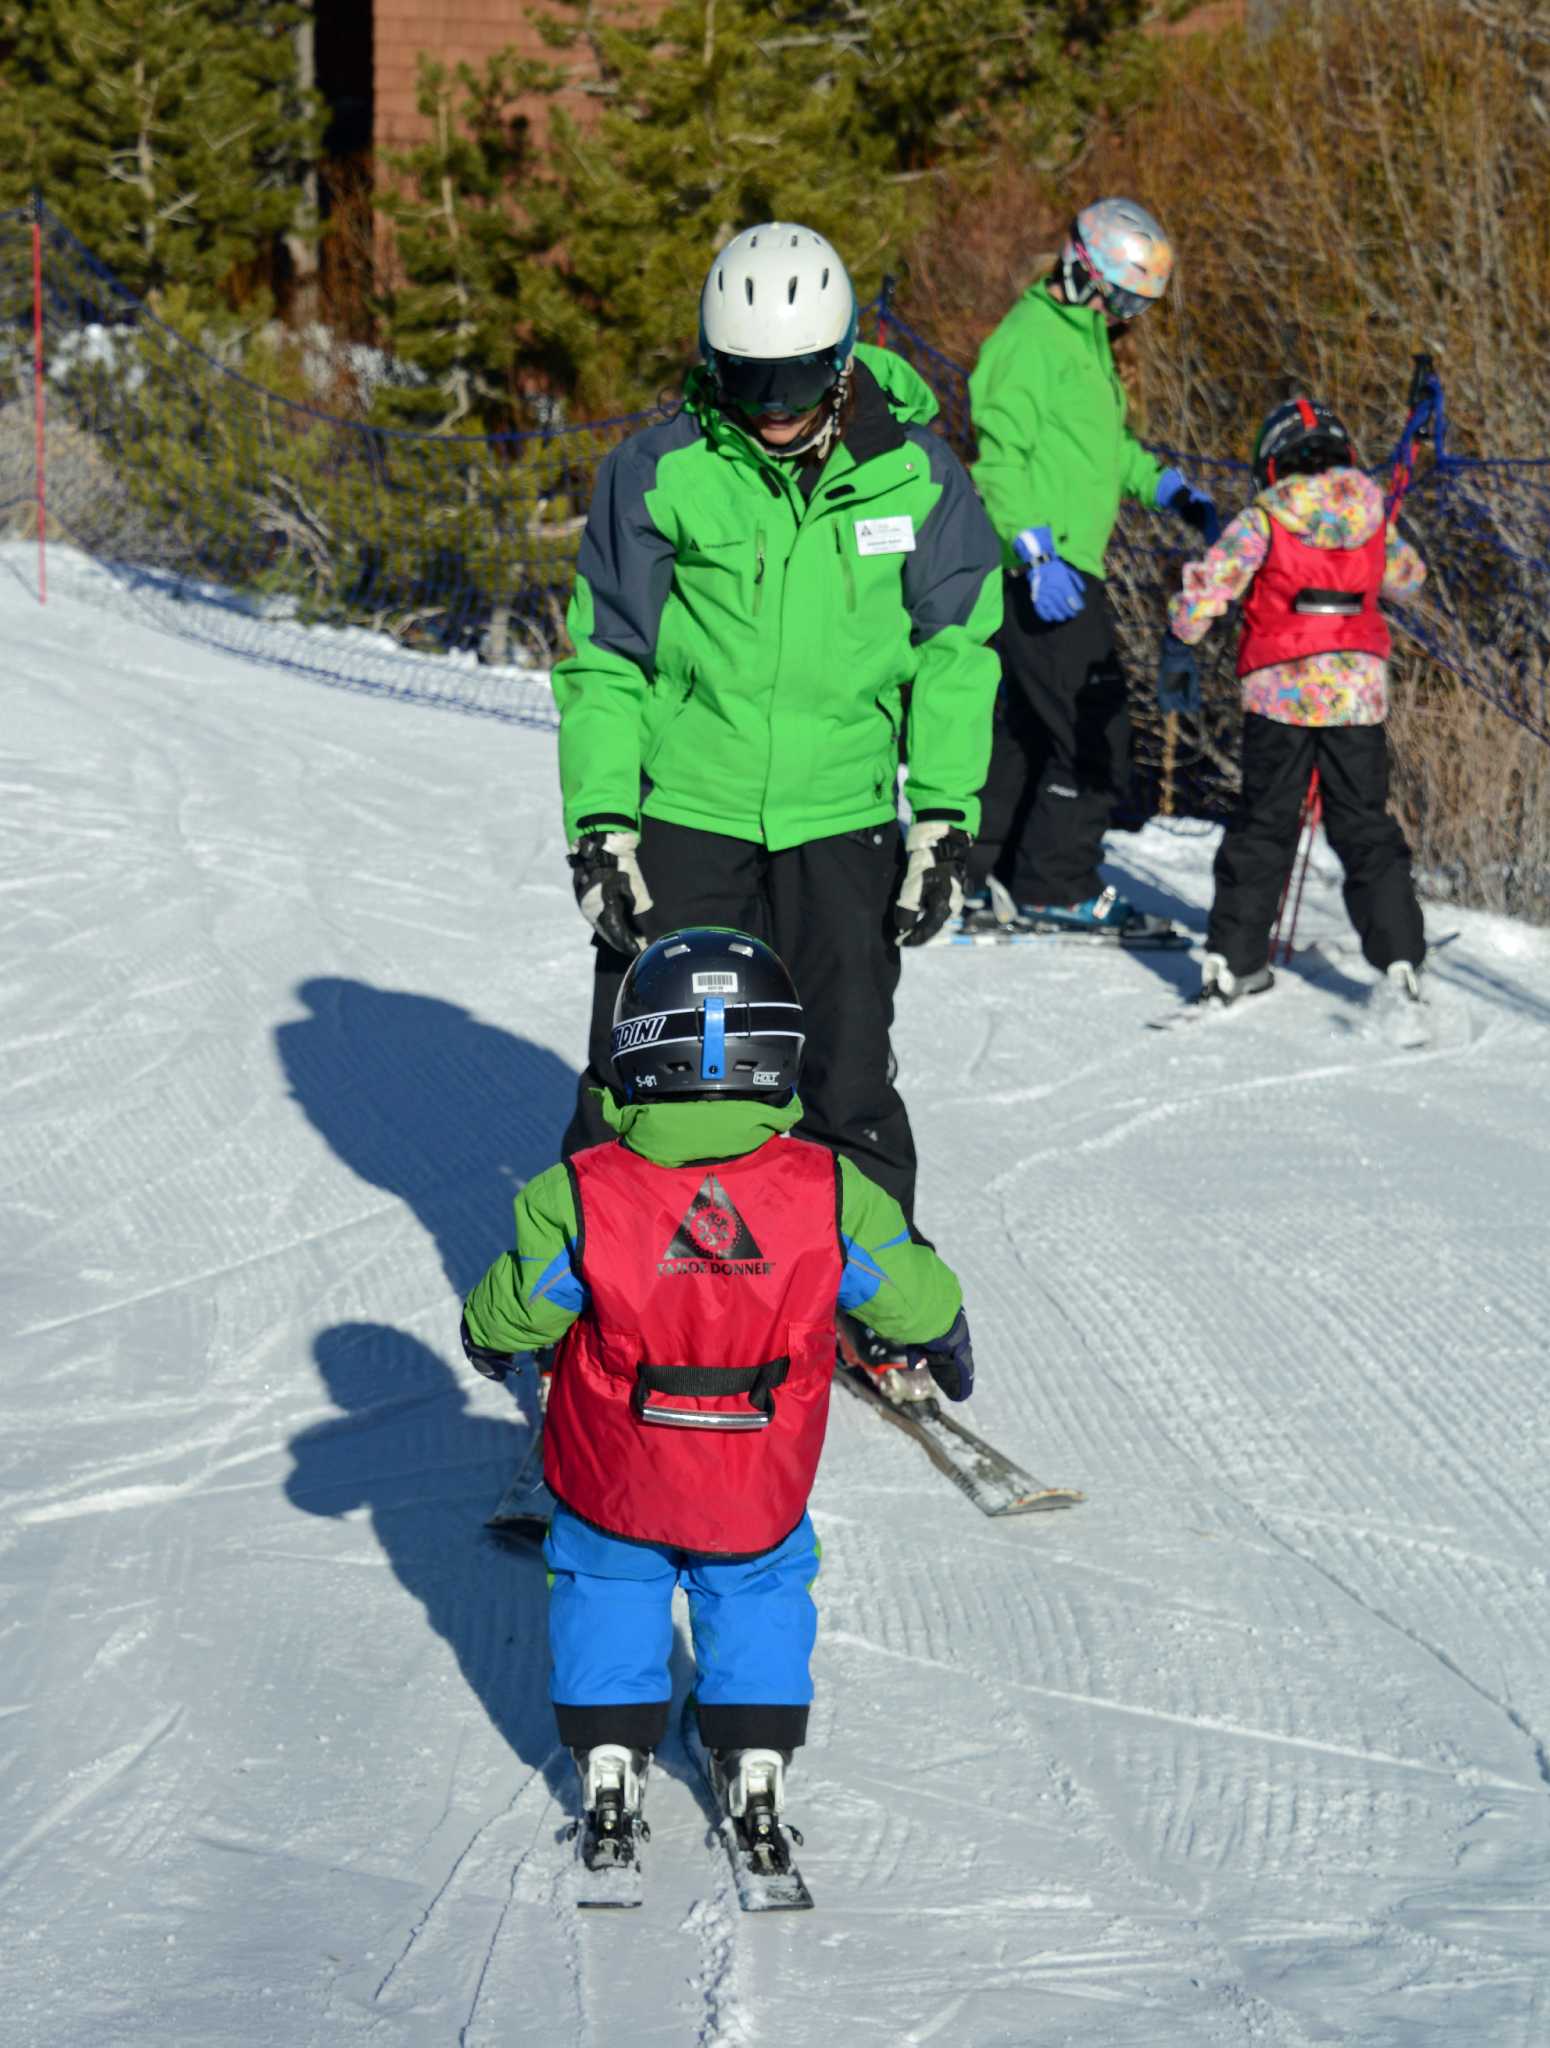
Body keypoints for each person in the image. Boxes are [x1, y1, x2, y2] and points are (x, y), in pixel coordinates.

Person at [458, 927, 973, 1871]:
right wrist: (940, 1326)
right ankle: (755, 1754)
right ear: (780, 1053)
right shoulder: (829, 1190)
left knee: (609, 1582)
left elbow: (520, 1310)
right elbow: (909, 1291)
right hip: (756, 1472)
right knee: (760, 1587)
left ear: (633, 1054)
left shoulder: (577, 1193)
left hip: (616, 1469)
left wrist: (486, 1337)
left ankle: (611, 1756)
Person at [553, 221, 1003, 1234]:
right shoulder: (658, 469)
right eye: (747, 381)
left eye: (796, 380)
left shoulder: (916, 475)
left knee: (844, 1073)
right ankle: (598, 1280)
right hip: (689, 811)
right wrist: (601, 824)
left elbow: (955, 650)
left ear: (841, 357)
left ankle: (876, 1291)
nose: (772, 410)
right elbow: (606, 656)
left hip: (839, 815)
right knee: (644, 1062)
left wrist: (940, 819)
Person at [967, 197, 1222, 935]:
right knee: (1092, 731)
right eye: (1120, 299)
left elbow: (1104, 451)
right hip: (1041, 570)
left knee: (1029, 731)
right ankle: (1056, 882)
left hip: (1069, 565)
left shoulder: (1083, 343)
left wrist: (1171, 489)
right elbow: (999, 461)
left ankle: (984, 873)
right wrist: (1035, 551)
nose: (1126, 317)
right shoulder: (1029, 341)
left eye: (1135, 307)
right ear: (1085, 273)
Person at [1156, 396, 1428, 1003]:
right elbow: (1409, 580)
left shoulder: (1265, 518)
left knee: (1265, 823)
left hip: (1280, 691)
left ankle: (1234, 958)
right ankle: (1400, 958)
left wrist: (1181, 634)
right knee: (1363, 823)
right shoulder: (1371, 514)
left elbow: (1212, 585)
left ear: (1272, 464)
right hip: (1355, 694)